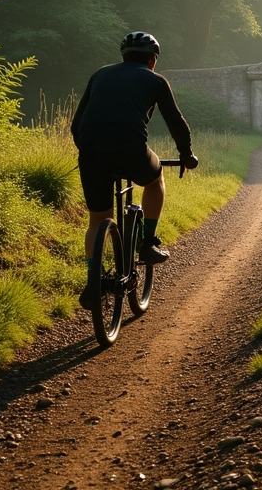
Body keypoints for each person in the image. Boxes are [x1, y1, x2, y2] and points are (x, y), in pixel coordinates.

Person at [71, 31, 199, 310]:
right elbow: (176, 122)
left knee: (97, 221)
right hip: (131, 151)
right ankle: (148, 243)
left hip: (91, 154)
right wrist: (186, 156)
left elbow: (76, 123)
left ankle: (93, 281)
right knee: (155, 181)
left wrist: (91, 149)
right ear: (153, 59)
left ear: (124, 56)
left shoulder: (100, 74)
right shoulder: (155, 80)